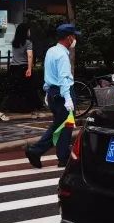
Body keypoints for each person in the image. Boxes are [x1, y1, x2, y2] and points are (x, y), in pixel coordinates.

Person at [25, 23, 79, 169]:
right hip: (62, 95)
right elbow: (64, 80)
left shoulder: (51, 51)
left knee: (62, 125)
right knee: (64, 126)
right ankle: (37, 151)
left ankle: (62, 156)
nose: (75, 39)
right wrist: (68, 99)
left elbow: (47, 73)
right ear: (68, 38)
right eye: (74, 36)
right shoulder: (62, 55)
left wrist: (47, 91)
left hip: (53, 93)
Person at [0, 22, 36, 122]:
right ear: (25, 31)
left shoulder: (14, 42)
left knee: (10, 89)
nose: (29, 32)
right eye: (28, 30)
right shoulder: (28, 43)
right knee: (28, 90)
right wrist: (29, 68)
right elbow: (29, 56)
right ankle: (30, 111)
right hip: (23, 68)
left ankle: (1, 110)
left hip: (13, 68)